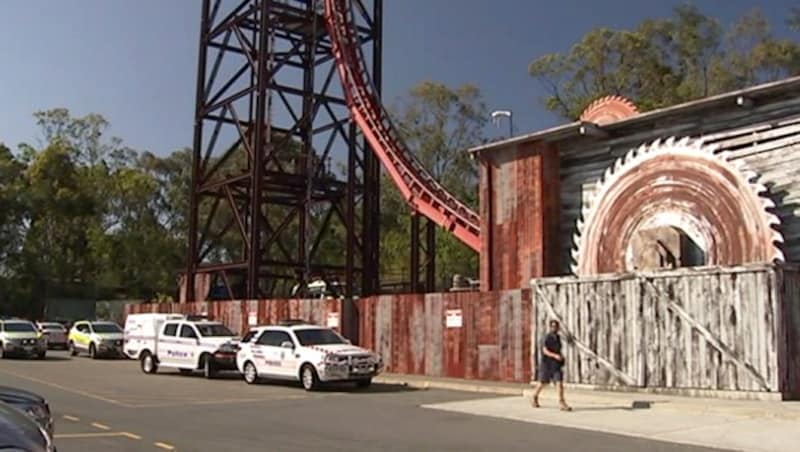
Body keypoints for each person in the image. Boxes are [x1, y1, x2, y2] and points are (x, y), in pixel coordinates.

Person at [531, 319, 572, 411]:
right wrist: (555, 356)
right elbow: (544, 350)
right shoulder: (547, 337)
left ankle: (562, 402)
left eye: (556, 326)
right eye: (553, 326)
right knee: (543, 382)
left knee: (559, 383)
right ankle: (535, 396)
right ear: (550, 327)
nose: (555, 328)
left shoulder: (558, 337)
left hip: (556, 365)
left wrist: (561, 356)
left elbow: (560, 347)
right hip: (547, 364)